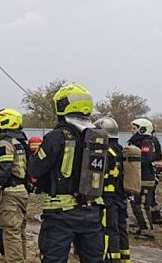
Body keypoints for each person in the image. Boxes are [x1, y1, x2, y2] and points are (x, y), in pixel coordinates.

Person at [28, 83, 106, 263]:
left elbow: (35, 169)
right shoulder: (99, 138)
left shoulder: (57, 136)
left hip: (61, 215)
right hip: (93, 213)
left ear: (62, 105)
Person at [0, 108, 30, 262]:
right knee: (19, 231)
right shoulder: (21, 142)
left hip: (11, 194)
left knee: (10, 233)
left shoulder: (5, 143)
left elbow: (3, 171)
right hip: (23, 192)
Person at [94, 117, 130, 263]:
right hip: (121, 197)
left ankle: (109, 258)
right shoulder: (121, 150)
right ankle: (124, 257)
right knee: (122, 228)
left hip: (108, 199)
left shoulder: (105, 151)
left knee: (109, 229)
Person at [127, 118, 156, 240]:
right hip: (139, 177)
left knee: (143, 204)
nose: (132, 132)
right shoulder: (138, 142)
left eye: (135, 129)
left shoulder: (145, 142)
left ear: (143, 130)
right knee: (135, 203)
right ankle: (141, 225)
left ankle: (148, 230)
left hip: (145, 178)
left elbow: (146, 159)